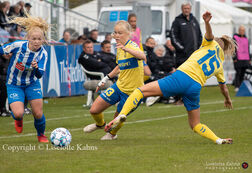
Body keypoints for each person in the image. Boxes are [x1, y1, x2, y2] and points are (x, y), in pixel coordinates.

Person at [106, 11, 236, 145]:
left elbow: (209, 35)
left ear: (215, 42)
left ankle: (122, 114)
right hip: (195, 87)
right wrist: (227, 99)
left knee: (139, 91)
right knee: (195, 124)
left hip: (182, 77)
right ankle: (218, 140)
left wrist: (207, 23)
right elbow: (224, 88)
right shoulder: (219, 64)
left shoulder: (210, 44)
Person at [83, 20, 146, 140]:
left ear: (129, 33)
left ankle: (111, 135)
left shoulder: (132, 46)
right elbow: (119, 66)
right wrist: (106, 78)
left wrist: (127, 49)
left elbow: (142, 56)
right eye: (115, 32)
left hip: (132, 93)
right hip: (119, 87)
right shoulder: (119, 47)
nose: (116, 35)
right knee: (94, 110)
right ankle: (100, 124)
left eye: (120, 33)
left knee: (118, 119)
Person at [0, 13, 50, 143]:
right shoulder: (18, 45)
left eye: (39, 39)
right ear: (28, 38)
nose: (36, 41)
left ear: (43, 40)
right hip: (14, 84)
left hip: (32, 84)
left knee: (38, 113)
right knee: (18, 113)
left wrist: (35, 68)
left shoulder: (43, 54)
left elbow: (40, 75)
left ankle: (41, 135)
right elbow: (0, 51)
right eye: (34, 38)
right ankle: (18, 120)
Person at [171, 1, 202, 68]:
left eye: (188, 8)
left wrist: (199, 47)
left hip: (194, 55)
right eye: (185, 8)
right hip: (182, 57)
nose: (186, 10)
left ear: (190, 9)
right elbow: (173, 38)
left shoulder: (194, 20)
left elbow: (199, 35)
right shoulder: (177, 21)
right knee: (182, 76)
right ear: (182, 9)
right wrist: (183, 49)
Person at [233, 25, 251, 91]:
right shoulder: (235, 37)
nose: (242, 31)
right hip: (238, 58)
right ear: (239, 31)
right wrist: (234, 58)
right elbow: (233, 48)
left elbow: (248, 49)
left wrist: (250, 59)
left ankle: (240, 85)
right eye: (241, 30)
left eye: (243, 30)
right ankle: (236, 86)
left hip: (246, 58)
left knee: (243, 73)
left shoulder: (246, 39)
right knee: (238, 72)